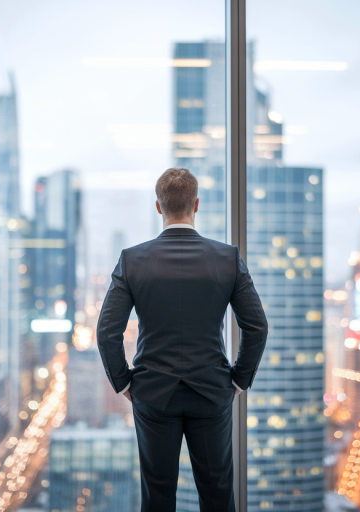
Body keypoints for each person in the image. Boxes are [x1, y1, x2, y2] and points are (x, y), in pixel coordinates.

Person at [97, 167, 268, 512]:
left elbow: (106, 331)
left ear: (158, 207)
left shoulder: (133, 260)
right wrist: (238, 380)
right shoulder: (227, 258)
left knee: (157, 496)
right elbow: (257, 327)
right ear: (196, 204)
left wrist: (124, 383)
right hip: (212, 391)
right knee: (218, 494)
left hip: (153, 393)